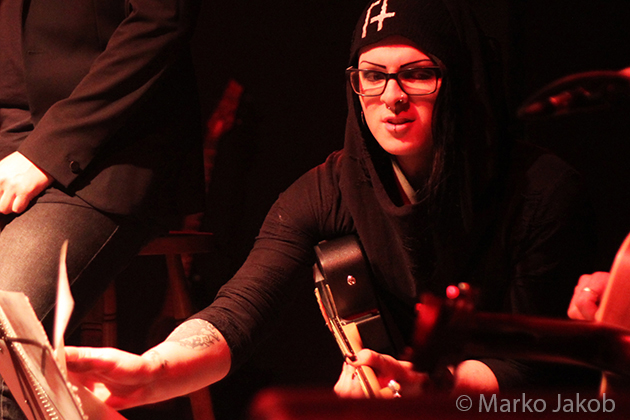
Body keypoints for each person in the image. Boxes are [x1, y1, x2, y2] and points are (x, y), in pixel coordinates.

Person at [66, 0, 595, 408]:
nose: (392, 97)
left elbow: (544, 368)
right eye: (373, 75)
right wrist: (155, 369)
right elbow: (239, 311)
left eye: (418, 74)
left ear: (458, 79)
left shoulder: (542, 190)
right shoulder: (330, 188)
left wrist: (431, 386)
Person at [0, 0, 203, 418]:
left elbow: (161, 19)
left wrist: (44, 154)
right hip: (10, 147)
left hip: (106, 154)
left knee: (2, 340)